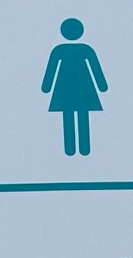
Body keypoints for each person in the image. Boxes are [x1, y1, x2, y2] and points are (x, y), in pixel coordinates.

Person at [40, 16, 107, 157]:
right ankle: (80, 149)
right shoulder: (83, 49)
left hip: (68, 89)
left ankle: (75, 150)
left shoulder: (62, 50)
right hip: (82, 88)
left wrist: (46, 87)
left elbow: (51, 70)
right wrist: (102, 86)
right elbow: (95, 69)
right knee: (80, 116)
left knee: (70, 116)